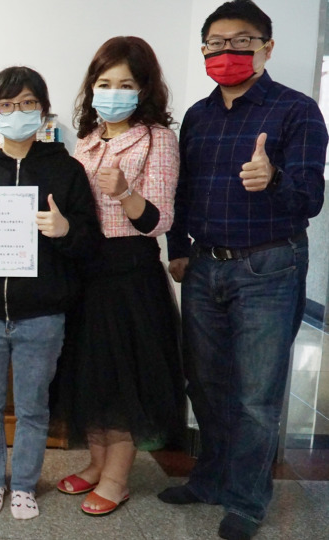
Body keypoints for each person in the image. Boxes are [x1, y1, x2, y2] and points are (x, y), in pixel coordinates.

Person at [160, 2, 328, 539]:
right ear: (204, 49)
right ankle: (210, 479)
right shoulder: (198, 115)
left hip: (270, 266)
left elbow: (311, 198)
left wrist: (272, 178)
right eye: (216, 43)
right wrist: (177, 247)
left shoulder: (297, 110)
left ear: (266, 48)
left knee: (256, 395)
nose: (227, 52)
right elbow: (182, 190)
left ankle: (247, 500)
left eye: (241, 41)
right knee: (205, 384)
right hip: (205, 265)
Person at [0, 66, 101, 520]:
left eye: (28, 103)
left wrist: (64, 229)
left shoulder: (67, 170)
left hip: (42, 314)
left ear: (43, 110)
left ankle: (26, 485)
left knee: (34, 407)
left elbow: (87, 241)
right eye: (7, 105)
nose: (18, 112)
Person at [57, 36, 185, 517]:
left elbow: (160, 219)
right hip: (85, 268)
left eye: (125, 84)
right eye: (105, 83)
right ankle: (97, 463)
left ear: (143, 88)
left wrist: (126, 192)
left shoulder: (157, 139)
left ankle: (117, 478)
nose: (113, 93)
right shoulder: (87, 140)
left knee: (123, 377)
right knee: (89, 374)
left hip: (129, 272)